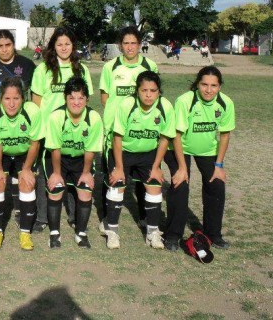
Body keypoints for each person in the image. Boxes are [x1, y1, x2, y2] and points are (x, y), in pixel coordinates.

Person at [99, 71, 176, 250]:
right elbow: (117, 138)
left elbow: (165, 139)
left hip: (148, 153)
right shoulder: (127, 105)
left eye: (153, 90)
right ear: (137, 91)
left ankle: (152, 232)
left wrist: (157, 167)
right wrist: (118, 167)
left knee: (155, 185)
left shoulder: (165, 106)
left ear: (159, 92)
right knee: (117, 184)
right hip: (122, 151)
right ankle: (112, 230)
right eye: (144, 90)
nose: (148, 95)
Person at [163, 66, 235, 250]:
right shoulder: (185, 101)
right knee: (181, 185)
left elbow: (225, 135)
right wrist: (181, 167)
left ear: (220, 87)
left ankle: (213, 234)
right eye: (204, 84)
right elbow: (176, 135)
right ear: (197, 84)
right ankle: (172, 235)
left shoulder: (226, 103)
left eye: (214, 85)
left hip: (208, 150)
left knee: (216, 185)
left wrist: (219, 165)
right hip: (179, 148)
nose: (208, 90)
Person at [30, 27, 94, 232]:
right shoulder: (43, 70)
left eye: (67, 44)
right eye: (59, 44)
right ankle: (42, 217)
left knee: (73, 171)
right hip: (50, 130)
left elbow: (86, 98)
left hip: (74, 130)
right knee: (45, 173)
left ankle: (75, 216)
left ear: (73, 46)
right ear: (53, 46)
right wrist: (40, 130)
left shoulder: (80, 69)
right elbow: (36, 102)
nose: (64, 47)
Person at [0, 29, 36, 227]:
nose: (4, 49)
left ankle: (20, 211)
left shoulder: (27, 66)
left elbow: (33, 97)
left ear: (14, 45)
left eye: (7, 45)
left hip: (17, 128)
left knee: (19, 173)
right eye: (0, 46)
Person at [99, 26, 159, 222]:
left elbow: (154, 95)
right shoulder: (110, 67)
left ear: (140, 45)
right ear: (120, 45)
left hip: (141, 130)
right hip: (115, 129)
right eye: (126, 43)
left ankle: (143, 214)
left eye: (134, 43)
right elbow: (105, 97)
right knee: (112, 174)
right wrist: (117, 119)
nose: (130, 47)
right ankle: (106, 218)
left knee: (142, 175)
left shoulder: (150, 65)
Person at [0, 77, 42, 251]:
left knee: (27, 182)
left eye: (16, 98)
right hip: (1, 153)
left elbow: (34, 143)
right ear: (0, 98)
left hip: (24, 153)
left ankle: (25, 232)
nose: (12, 103)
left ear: (23, 98)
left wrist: (27, 169)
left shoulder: (32, 111)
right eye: (7, 98)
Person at [44, 77, 103, 249]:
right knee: (55, 189)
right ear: (65, 98)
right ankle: (54, 233)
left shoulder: (94, 118)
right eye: (72, 98)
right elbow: (55, 148)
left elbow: (90, 149)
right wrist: (56, 173)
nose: (76, 102)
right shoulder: (57, 116)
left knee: (85, 191)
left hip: (81, 160)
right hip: (58, 159)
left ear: (87, 99)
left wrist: (86, 173)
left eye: (80, 98)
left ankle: (81, 233)